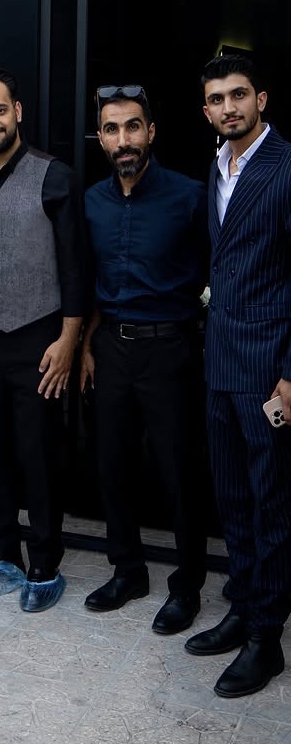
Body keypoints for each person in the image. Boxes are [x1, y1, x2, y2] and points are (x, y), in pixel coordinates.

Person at [0, 67, 90, 612]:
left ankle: (45, 560)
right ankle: (2, 553)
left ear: (18, 112)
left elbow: (76, 267)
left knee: (38, 452)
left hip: (38, 340)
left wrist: (69, 339)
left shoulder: (55, 176)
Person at [79, 85, 210, 634]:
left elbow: (219, 269)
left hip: (170, 348)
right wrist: (87, 344)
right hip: (111, 348)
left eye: (132, 126)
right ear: (101, 138)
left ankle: (188, 586)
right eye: (112, 129)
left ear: (151, 132)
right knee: (112, 464)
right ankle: (128, 571)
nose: (123, 139)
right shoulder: (92, 201)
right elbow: (88, 278)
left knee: (179, 472)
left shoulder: (191, 196)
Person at [184, 53, 291, 698]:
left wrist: (290, 375)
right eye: (218, 99)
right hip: (221, 361)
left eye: (239, 95)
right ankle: (244, 609)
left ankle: (266, 639)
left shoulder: (285, 166)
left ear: (261, 99)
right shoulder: (218, 165)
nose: (230, 107)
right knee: (232, 499)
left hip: (269, 367)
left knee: (271, 503)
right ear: (207, 111)